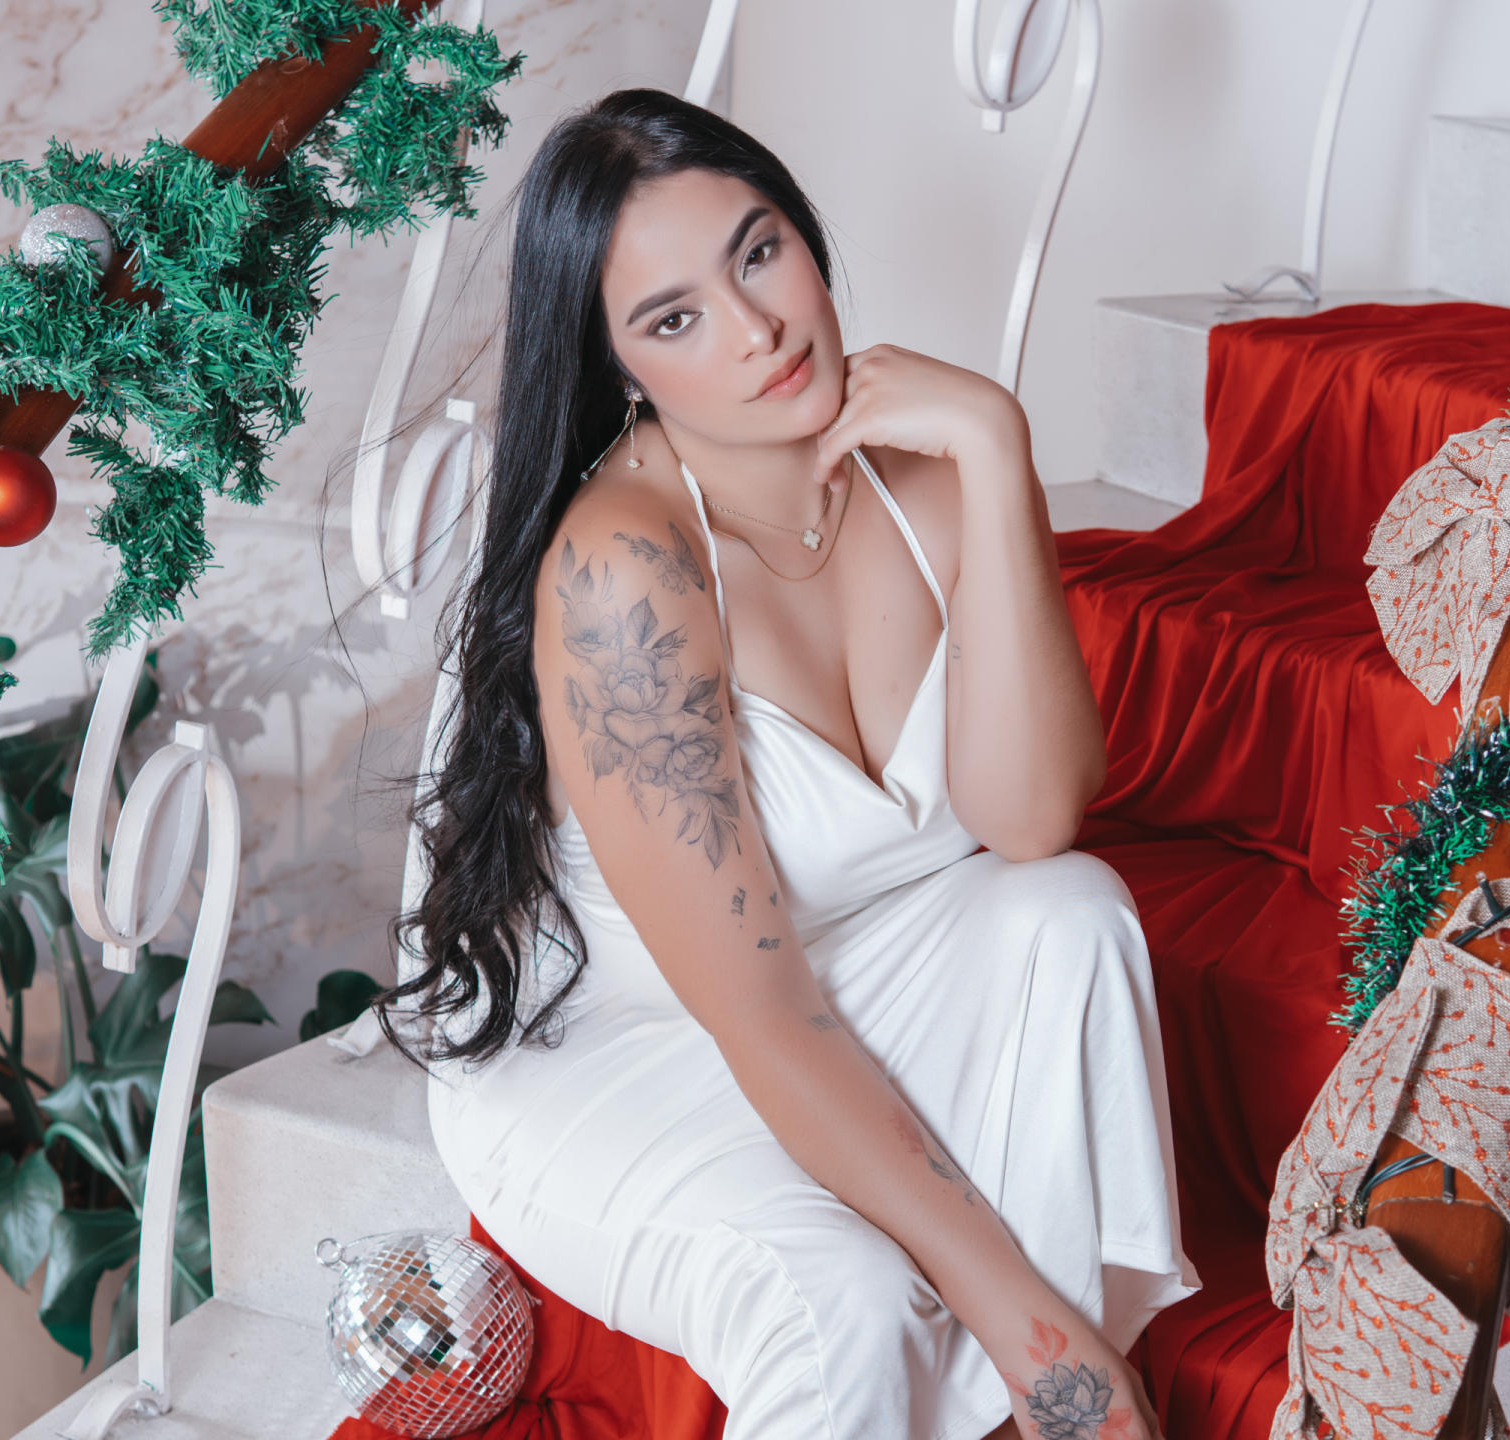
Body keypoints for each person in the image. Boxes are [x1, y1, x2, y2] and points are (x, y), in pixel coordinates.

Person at [382, 86, 1199, 1440]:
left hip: (861, 972)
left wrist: (997, 451)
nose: (757, 330)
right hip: (635, 1049)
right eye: (675, 319)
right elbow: (758, 1010)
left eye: (757, 252)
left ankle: (1045, 1420)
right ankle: (1066, 1397)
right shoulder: (625, 570)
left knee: (1074, 913)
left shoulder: (924, 476)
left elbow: (1031, 819)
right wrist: (1035, 1334)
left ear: (806, 237)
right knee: (846, 1299)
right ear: (620, 367)